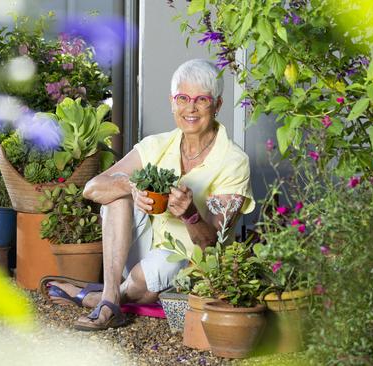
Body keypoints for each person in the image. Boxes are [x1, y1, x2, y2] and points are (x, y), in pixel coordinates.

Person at [43, 59, 255, 331]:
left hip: (188, 260)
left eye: (201, 99)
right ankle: (110, 298)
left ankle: (97, 297)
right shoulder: (157, 145)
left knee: (153, 274)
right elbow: (92, 188)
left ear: (217, 105)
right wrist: (130, 187)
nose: (190, 107)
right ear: (172, 102)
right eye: (182, 98)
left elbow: (212, 245)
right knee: (117, 191)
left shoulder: (233, 160)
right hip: (139, 250)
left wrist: (191, 215)